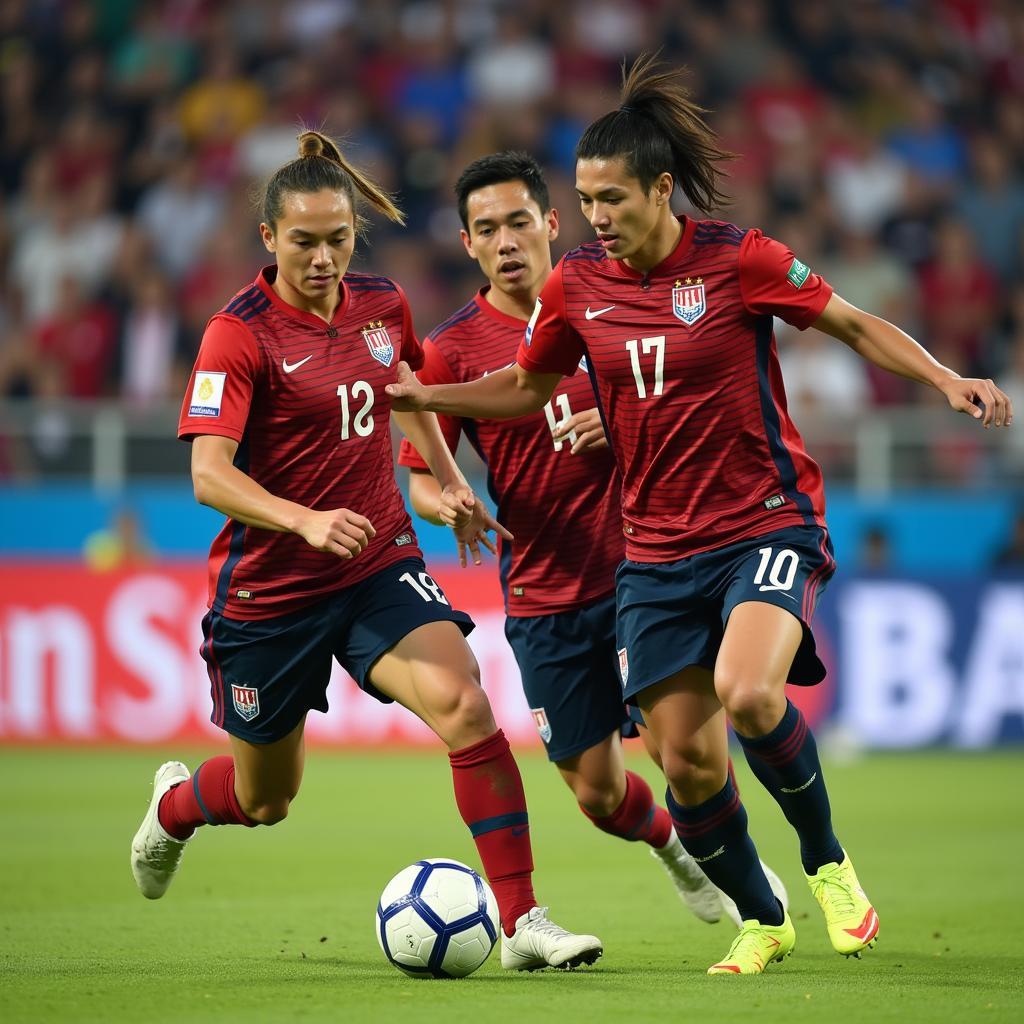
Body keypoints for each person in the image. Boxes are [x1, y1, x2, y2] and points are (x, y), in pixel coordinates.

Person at [386, 56, 1014, 975]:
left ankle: (829, 863)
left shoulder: (738, 259)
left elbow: (852, 323)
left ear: (661, 187)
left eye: (612, 198)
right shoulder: (578, 289)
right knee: (683, 765)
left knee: (752, 692)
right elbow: (526, 386)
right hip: (655, 552)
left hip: (763, 522)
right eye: (588, 198)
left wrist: (944, 378)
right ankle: (763, 918)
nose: (597, 218)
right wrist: (431, 402)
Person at [129, 130, 603, 973]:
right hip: (272, 591)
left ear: (356, 234)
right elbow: (208, 474)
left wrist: (450, 480)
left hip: (378, 560)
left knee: (465, 705)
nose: (322, 258)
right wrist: (303, 520)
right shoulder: (237, 336)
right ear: (269, 238)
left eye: (338, 239)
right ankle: (173, 809)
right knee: (265, 798)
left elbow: (411, 389)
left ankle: (524, 922)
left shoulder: (383, 305)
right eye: (304, 241)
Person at [397, 150, 787, 929]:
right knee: (599, 793)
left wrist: (614, 429)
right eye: (486, 229)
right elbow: (420, 481)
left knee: (687, 751)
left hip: (647, 569)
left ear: (549, 222)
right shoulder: (453, 351)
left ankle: (747, 887)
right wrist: (453, 506)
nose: (506, 241)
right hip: (543, 593)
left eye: (517, 221)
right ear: (467, 245)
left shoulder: (605, 302)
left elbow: (692, 398)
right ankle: (676, 849)